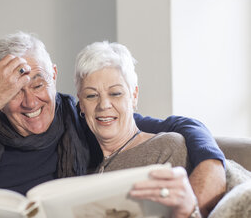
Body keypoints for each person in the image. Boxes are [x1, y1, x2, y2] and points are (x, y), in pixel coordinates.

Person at [0, 32, 224, 213]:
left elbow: (173, 126)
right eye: (14, 92)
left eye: (39, 84)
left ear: (55, 75)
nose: (31, 102)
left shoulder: (81, 116)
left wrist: (210, 157)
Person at [75, 41, 225, 217]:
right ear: (81, 105)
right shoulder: (83, 157)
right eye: (91, 95)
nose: (104, 105)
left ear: (134, 96)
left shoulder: (165, 147)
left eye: (115, 93)